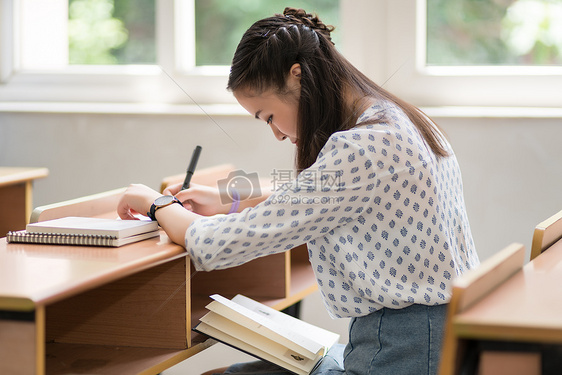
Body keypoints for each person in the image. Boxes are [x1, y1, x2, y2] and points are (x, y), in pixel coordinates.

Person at [117, 7, 479, 375]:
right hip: (422, 340)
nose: (275, 133)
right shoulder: (392, 120)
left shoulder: (362, 146)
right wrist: (228, 193)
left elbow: (216, 244)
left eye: (268, 116)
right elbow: (324, 186)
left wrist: (156, 203)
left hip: (401, 355)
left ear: (298, 77)